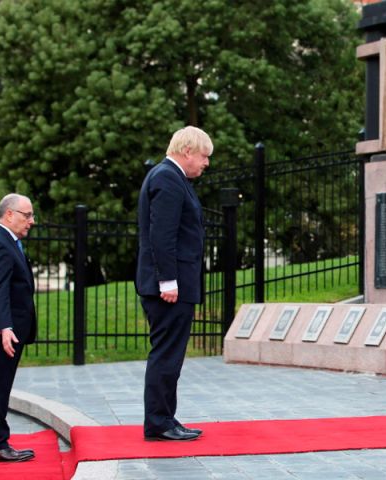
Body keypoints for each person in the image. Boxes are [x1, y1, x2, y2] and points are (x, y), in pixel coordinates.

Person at [136, 126, 211, 441]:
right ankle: (159, 422)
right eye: (205, 156)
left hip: (174, 283)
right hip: (168, 287)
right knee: (167, 354)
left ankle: (165, 417)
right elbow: (162, 234)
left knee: (170, 354)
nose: (206, 163)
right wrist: (168, 280)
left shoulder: (171, 177)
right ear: (188, 151)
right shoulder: (167, 177)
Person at [0, 194, 37, 462]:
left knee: (1, 384)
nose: (31, 221)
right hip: (5, 329)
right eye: (27, 215)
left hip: (10, 327)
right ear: (9, 215)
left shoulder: (7, 241)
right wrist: (5, 327)